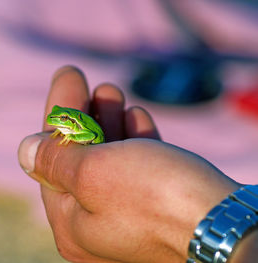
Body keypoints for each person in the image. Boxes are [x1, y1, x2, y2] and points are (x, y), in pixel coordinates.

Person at [18, 66, 258, 263]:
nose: (55, 120)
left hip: (93, 141)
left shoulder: (79, 128)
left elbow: (89, 136)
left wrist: (187, 225)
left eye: (61, 119)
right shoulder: (67, 123)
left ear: (69, 121)